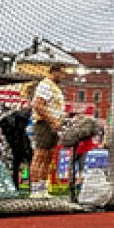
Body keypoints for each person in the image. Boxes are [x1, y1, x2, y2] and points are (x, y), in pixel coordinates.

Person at [29, 64, 66, 198]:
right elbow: (38, 105)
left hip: (54, 125)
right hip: (44, 124)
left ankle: (43, 188)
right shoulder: (45, 85)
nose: (63, 76)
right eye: (61, 73)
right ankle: (34, 189)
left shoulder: (55, 88)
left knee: (49, 157)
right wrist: (52, 120)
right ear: (54, 72)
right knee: (40, 156)